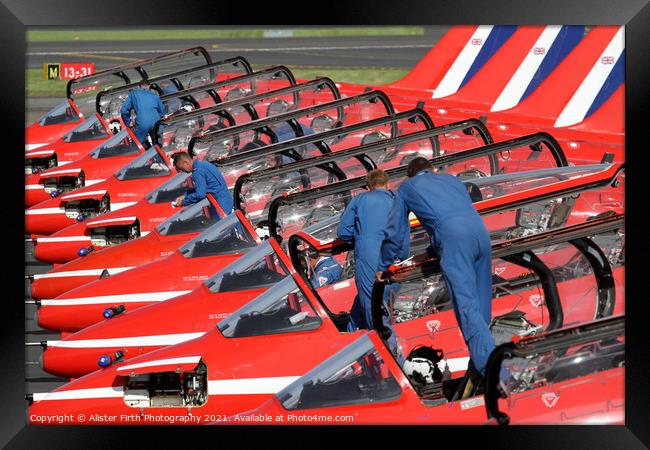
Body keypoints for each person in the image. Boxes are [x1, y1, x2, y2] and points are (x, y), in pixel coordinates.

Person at [377, 157, 494, 377]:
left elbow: (396, 231)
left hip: (454, 240)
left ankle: (492, 373)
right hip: (480, 233)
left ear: (411, 175)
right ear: (432, 170)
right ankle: (482, 364)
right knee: (482, 307)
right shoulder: (451, 180)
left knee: (467, 308)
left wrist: (384, 264)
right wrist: (431, 251)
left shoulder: (407, 187)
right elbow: (455, 214)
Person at [337, 169, 402, 332]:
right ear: (388, 184)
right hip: (396, 255)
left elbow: (343, 232)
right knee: (370, 303)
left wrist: (360, 237)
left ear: (368, 186)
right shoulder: (397, 201)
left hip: (369, 255)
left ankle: (384, 347)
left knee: (372, 304)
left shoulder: (360, 199)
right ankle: (352, 335)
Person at [120, 79, 166, 146]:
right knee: (158, 146)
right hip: (156, 122)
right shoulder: (155, 95)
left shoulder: (133, 94)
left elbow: (124, 110)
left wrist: (128, 122)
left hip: (143, 122)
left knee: (136, 146)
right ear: (149, 86)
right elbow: (162, 111)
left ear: (138, 86)